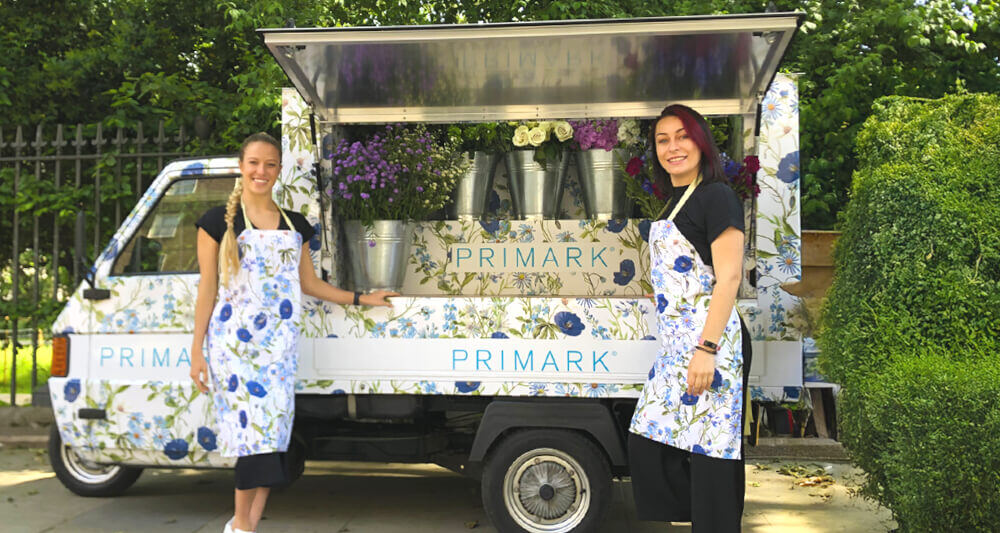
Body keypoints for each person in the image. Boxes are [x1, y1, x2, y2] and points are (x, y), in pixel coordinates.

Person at [189, 132, 396, 533]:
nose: (261, 171)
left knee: (274, 439)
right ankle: (243, 528)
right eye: (253, 163)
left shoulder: (295, 225)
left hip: (279, 353)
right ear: (241, 166)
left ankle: (240, 526)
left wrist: (361, 298)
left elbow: (311, 285)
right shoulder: (218, 222)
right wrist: (196, 351)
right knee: (252, 439)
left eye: (269, 164)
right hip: (234, 352)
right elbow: (207, 290)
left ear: (279, 170)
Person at [628, 104, 753, 532]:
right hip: (678, 344)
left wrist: (706, 349)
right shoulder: (674, 201)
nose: (672, 147)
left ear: (700, 142)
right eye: (663, 140)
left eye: (682, 136)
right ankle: (698, 517)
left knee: (712, 453)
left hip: (711, 341)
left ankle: (714, 523)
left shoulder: (717, 195)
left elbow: (730, 276)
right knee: (648, 440)